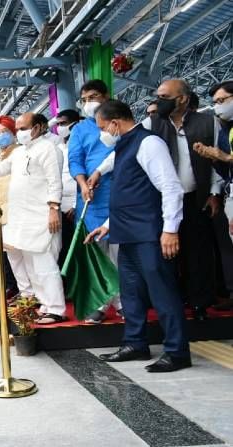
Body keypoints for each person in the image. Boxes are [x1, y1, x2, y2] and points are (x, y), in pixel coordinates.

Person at [87, 100, 190, 373]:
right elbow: (131, 192)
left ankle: (177, 351)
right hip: (127, 233)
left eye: (102, 128)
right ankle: (135, 343)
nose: (102, 133)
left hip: (150, 233)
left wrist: (170, 229)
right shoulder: (124, 145)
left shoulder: (149, 143)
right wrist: (108, 225)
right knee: (131, 293)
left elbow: (170, 188)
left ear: (115, 123)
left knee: (162, 292)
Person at [0, 112, 66, 323]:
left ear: (38, 128)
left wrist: (53, 208)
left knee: (45, 264)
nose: (18, 133)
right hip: (22, 218)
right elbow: (0, 169)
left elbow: (54, 181)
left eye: (22, 128)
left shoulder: (49, 149)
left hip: (42, 216)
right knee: (31, 265)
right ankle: (42, 303)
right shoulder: (20, 153)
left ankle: (56, 308)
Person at [143, 79, 221, 320]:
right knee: (166, 254)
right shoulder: (151, 123)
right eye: (158, 96)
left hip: (196, 199)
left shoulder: (209, 122)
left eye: (165, 96)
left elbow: (216, 162)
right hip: (161, 202)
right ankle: (172, 303)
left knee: (198, 254)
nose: (159, 101)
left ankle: (199, 304)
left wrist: (215, 193)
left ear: (183, 99)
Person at [69, 80, 122, 324]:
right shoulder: (80, 129)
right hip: (90, 198)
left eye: (94, 96)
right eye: (85, 99)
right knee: (96, 252)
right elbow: (75, 159)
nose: (89, 103)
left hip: (118, 191)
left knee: (121, 252)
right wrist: (82, 184)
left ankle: (124, 302)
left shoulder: (118, 122)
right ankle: (100, 303)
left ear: (106, 96)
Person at [193, 80, 233, 306]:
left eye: (222, 100)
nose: (218, 106)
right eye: (215, 102)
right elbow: (223, 167)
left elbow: (227, 158)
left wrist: (224, 156)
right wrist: (212, 156)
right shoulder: (225, 129)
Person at [0, 116, 21, 297]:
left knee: (27, 257)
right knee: (12, 258)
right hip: (2, 215)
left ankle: (37, 296)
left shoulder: (21, 153)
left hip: (21, 212)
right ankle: (24, 293)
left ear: (14, 132)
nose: (1, 136)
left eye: (4, 132)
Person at [54, 110, 81, 268]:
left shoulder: (80, 145)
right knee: (63, 250)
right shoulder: (57, 147)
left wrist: (76, 204)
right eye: (58, 124)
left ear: (75, 124)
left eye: (62, 123)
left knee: (77, 249)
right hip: (60, 207)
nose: (59, 127)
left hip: (76, 206)